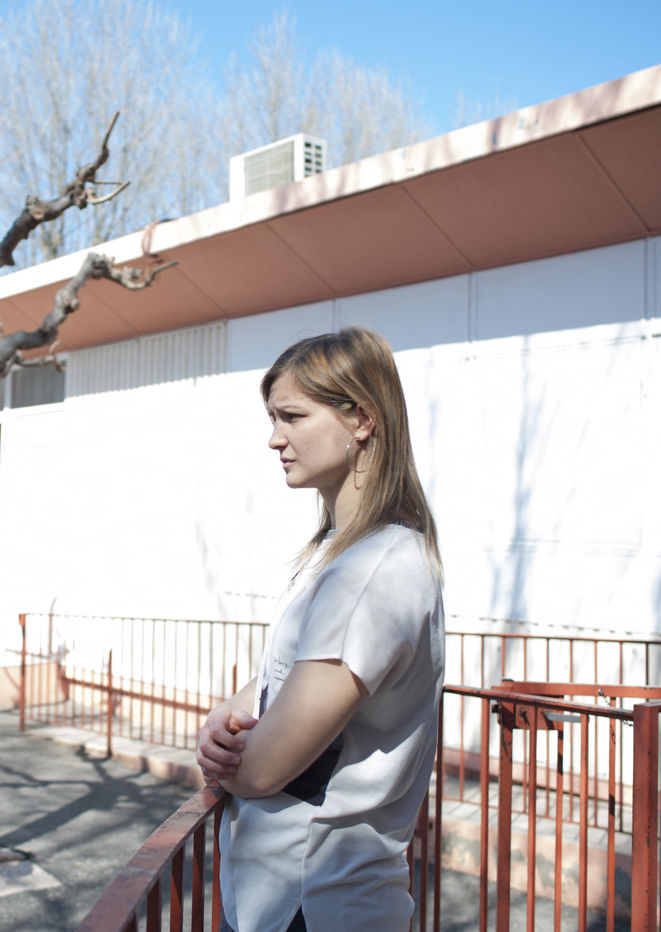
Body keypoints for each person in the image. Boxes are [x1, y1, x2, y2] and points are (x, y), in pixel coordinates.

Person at [196, 327, 444, 932]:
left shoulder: (373, 571)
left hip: (314, 901)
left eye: (292, 416)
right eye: (273, 418)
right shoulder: (342, 551)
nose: (274, 438)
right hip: (284, 895)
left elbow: (262, 770)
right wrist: (224, 720)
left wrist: (229, 758)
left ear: (361, 419)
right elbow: (289, 676)